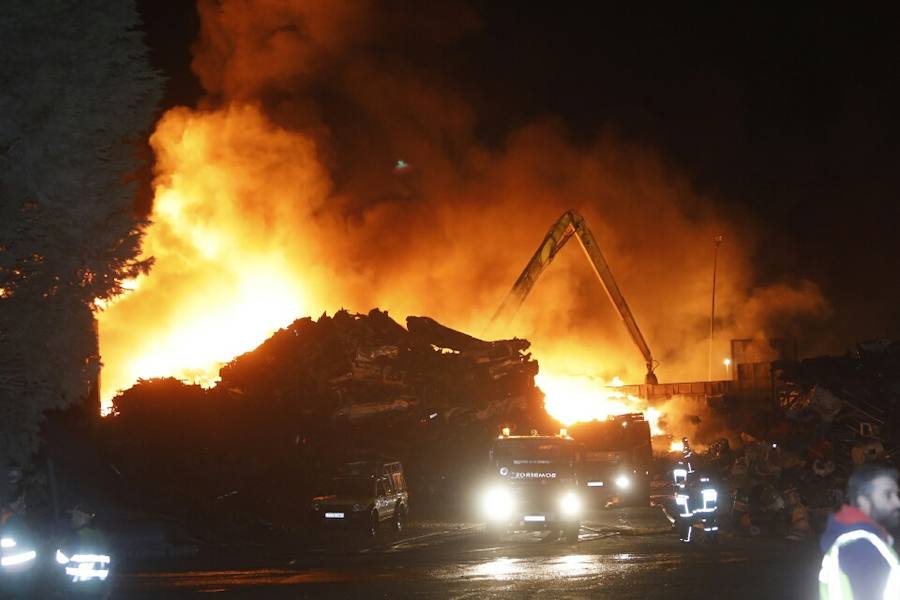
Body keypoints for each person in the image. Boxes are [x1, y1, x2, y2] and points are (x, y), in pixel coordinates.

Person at [819, 464, 900, 599]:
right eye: (888, 495)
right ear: (864, 501)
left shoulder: (856, 539)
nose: (897, 503)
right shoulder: (861, 547)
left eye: (897, 495)